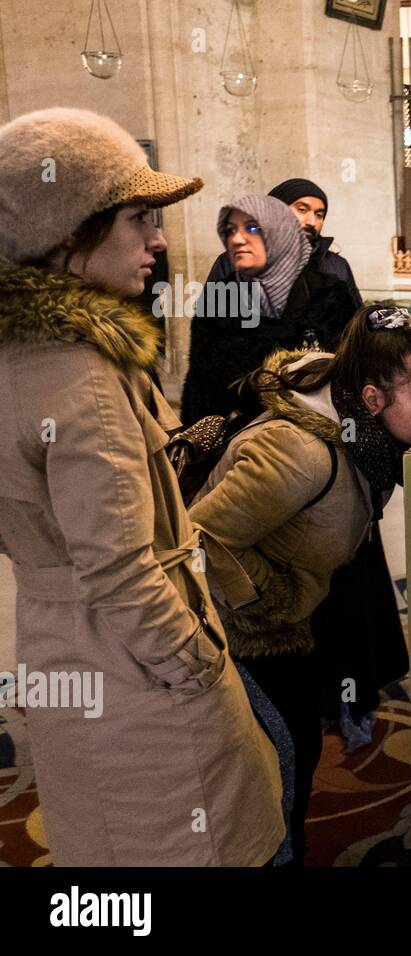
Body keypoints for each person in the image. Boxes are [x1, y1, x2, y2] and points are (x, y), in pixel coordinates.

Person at [0, 107, 283, 866]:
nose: (159, 239)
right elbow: (122, 567)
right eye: (138, 218)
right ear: (69, 230)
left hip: (67, 660)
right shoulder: (82, 375)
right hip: (140, 687)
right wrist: (195, 666)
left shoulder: (21, 355)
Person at [189, 303, 411, 864]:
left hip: (289, 622)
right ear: (372, 399)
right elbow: (199, 538)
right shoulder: (299, 453)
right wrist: (270, 599)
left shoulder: (367, 443)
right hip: (242, 632)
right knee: (278, 755)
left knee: (290, 749)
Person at [180, 194, 356, 425]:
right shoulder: (221, 294)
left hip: (315, 428)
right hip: (240, 434)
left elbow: (349, 369)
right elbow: (201, 385)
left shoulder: (330, 291)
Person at [204, 178, 362, 308]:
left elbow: (355, 330)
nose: (312, 221)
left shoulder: (338, 267)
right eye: (302, 210)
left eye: (319, 214)